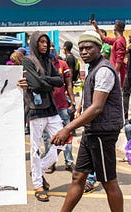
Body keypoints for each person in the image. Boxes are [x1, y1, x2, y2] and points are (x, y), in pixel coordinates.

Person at [52, 31, 124, 212]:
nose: (84, 51)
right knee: (78, 176)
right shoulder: (93, 68)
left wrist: (67, 128)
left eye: (88, 47)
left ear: (99, 48)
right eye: (81, 48)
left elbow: (98, 107)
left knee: (108, 181)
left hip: (103, 132)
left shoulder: (104, 70)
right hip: (92, 130)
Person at [22, 31, 64, 202]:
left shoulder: (48, 61)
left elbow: (60, 81)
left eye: (46, 42)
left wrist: (44, 79)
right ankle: (38, 184)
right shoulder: (27, 61)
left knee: (63, 139)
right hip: (35, 108)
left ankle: (38, 169)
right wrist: (47, 82)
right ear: (34, 43)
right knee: (35, 149)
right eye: (41, 42)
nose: (45, 45)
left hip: (51, 109)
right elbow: (36, 85)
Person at [43, 43, 76, 173]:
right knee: (48, 138)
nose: (51, 50)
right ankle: (51, 163)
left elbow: (69, 84)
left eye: (53, 49)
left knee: (67, 135)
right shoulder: (42, 65)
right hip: (47, 107)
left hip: (62, 106)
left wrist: (72, 103)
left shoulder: (63, 65)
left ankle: (69, 162)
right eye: (49, 49)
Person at [92, 19, 127, 88]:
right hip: (115, 71)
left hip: (117, 72)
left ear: (116, 27)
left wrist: (115, 73)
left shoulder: (119, 41)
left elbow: (119, 59)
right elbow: (105, 39)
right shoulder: (118, 39)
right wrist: (96, 27)